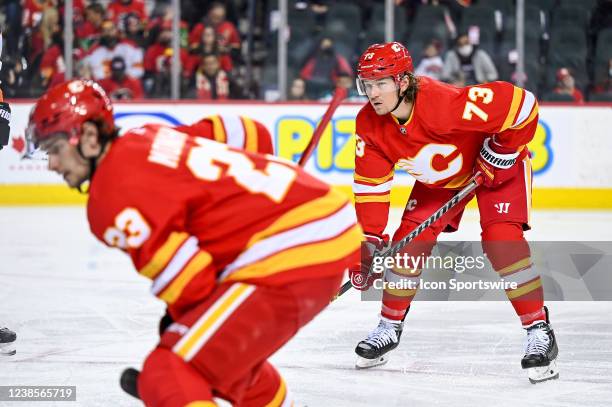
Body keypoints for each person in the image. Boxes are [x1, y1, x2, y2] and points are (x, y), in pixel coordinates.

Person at [25, 79, 362, 406]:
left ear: (88, 137)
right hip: (325, 220)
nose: (52, 164)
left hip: (291, 249)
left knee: (169, 371)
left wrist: (181, 322)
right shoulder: (152, 136)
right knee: (229, 364)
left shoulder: (108, 197)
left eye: (55, 149)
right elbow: (250, 132)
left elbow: (193, 284)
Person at [350, 42, 558, 384]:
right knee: (405, 247)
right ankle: (388, 326)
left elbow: (523, 105)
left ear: (403, 81)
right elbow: (371, 185)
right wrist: (371, 238)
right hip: (443, 181)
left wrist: (501, 151)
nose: (372, 93)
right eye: (367, 85)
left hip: (495, 171)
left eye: (381, 83)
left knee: (501, 242)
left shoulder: (443, 104)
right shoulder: (369, 125)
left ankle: (538, 329)